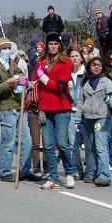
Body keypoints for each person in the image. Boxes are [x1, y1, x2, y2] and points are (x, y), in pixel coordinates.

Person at [0, 37, 41, 183]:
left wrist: (25, 82)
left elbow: (22, 76)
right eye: (3, 49)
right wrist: (7, 83)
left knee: (26, 140)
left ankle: (24, 169)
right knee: (9, 141)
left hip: (19, 106)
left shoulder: (13, 64)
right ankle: (5, 171)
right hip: (6, 108)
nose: (6, 51)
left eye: (7, 48)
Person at [34, 32, 74, 189]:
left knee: (63, 143)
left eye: (56, 44)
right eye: (50, 44)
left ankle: (69, 172)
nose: (53, 46)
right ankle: (54, 177)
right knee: (48, 145)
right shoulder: (40, 63)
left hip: (61, 107)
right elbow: (36, 82)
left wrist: (43, 78)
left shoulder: (67, 63)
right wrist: (29, 83)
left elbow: (60, 86)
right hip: (45, 108)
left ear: (60, 46)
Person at [75, 57, 112, 186]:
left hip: (102, 117)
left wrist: (109, 101)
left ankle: (104, 175)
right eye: (93, 65)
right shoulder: (85, 82)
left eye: (99, 65)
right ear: (89, 68)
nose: (96, 67)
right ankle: (90, 172)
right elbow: (80, 101)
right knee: (89, 147)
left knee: (100, 146)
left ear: (102, 67)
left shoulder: (106, 81)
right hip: (87, 118)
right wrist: (77, 117)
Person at [67, 48, 86, 180]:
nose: (74, 58)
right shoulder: (66, 74)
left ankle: (91, 170)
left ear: (81, 58)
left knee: (90, 145)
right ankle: (76, 170)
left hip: (86, 112)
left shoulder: (86, 74)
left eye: (77, 56)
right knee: (72, 144)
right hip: (70, 111)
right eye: (72, 56)